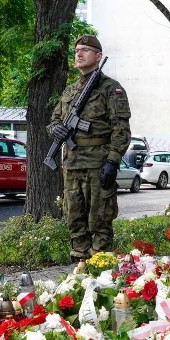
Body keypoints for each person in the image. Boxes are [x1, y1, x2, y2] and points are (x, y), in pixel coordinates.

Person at [48, 35, 131, 263]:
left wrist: (112, 161)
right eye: (77, 51)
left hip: (98, 164)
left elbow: (121, 130)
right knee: (74, 216)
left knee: (100, 218)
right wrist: (56, 130)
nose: (79, 54)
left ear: (98, 56)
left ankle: (100, 266)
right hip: (73, 164)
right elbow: (54, 120)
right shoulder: (69, 92)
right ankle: (78, 264)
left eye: (85, 50)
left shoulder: (111, 89)